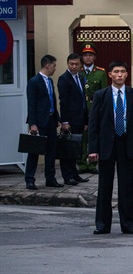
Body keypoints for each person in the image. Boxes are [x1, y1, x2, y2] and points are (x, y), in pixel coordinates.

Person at [88, 61, 133, 235]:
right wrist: (93, 149)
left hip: (127, 144)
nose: (120, 75)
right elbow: (94, 125)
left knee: (126, 186)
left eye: (123, 71)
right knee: (104, 186)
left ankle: (128, 223)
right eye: (116, 72)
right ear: (110, 75)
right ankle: (102, 224)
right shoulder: (101, 95)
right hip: (107, 144)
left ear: (127, 74)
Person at [24, 55, 63, 190]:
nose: (54, 69)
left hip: (51, 120)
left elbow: (52, 99)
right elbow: (32, 104)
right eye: (54, 66)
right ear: (47, 65)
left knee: (51, 150)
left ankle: (50, 178)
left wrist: (57, 118)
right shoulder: (34, 81)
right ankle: (29, 179)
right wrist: (33, 123)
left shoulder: (50, 81)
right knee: (34, 150)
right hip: (40, 121)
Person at [57, 53, 90, 186]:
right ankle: (67, 176)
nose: (74, 66)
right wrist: (64, 121)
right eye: (71, 64)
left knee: (76, 148)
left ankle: (75, 174)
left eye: (76, 64)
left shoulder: (81, 78)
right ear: (68, 64)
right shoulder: (64, 79)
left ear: (80, 64)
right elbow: (63, 102)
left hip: (80, 118)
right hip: (69, 119)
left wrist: (86, 120)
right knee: (67, 149)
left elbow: (83, 100)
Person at [79, 42, 107, 174]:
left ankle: (93, 163)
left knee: (94, 135)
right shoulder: (78, 72)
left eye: (90, 55)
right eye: (85, 55)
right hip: (81, 108)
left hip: (94, 108)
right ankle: (82, 163)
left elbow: (104, 93)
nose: (88, 58)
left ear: (94, 57)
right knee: (82, 137)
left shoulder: (100, 73)